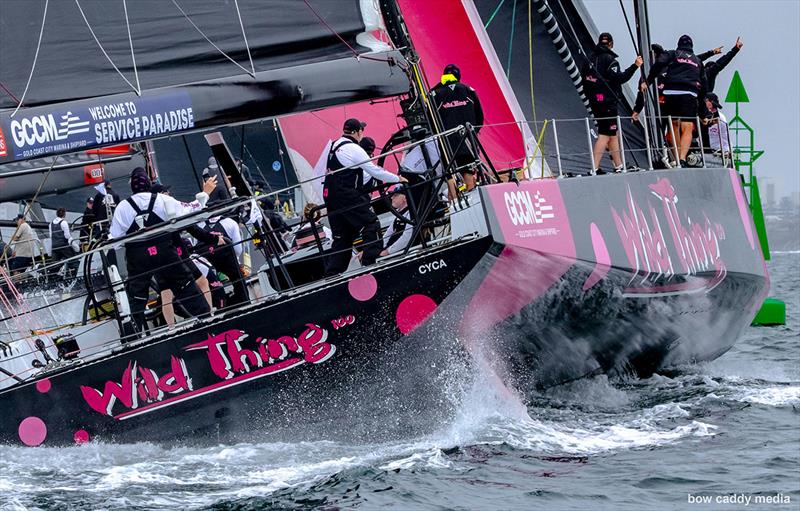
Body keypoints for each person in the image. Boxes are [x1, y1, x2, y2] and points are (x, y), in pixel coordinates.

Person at [109, 167, 215, 331]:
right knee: (184, 284)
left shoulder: (122, 207)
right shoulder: (162, 200)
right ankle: (207, 320)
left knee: (136, 297)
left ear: (132, 186)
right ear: (148, 183)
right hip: (165, 253)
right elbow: (190, 209)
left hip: (138, 259)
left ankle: (132, 336)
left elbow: (115, 241)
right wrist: (205, 194)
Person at [323, 118, 403, 275]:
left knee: (343, 238)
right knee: (371, 223)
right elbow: (375, 172)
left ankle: (331, 276)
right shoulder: (354, 149)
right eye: (362, 130)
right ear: (358, 132)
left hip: (330, 197)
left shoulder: (335, 146)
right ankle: (371, 265)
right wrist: (398, 178)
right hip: (345, 196)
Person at [582, 32, 643, 174]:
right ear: (611, 44)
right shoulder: (610, 60)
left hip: (595, 102)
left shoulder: (588, 59)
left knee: (613, 133)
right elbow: (620, 78)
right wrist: (635, 66)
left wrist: (591, 97)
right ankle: (594, 168)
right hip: (608, 103)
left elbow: (583, 80)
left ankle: (619, 166)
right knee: (604, 134)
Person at [648, 35, 707, 168]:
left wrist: (649, 79)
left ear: (679, 45)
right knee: (687, 127)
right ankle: (682, 159)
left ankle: (676, 159)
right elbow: (704, 88)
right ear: (691, 47)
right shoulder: (697, 61)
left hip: (671, 92)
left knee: (674, 124)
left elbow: (659, 63)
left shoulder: (673, 54)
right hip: (689, 93)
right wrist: (703, 114)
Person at [429, 64, 484, 190]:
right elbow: (480, 117)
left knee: (450, 178)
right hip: (468, 141)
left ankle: (454, 204)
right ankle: (474, 202)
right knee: (468, 173)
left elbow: (430, 120)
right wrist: (473, 132)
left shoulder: (434, 94)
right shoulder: (469, 90)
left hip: (447, 144)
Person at [380, 186, 413, 257]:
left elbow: (407, 237)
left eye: (395, 195)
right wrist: (372, 250)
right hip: (394, 254)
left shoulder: (410, 213)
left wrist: (387, 252)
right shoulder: (398, 215)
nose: (392, 198)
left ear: (405, 198)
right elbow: (387, 235)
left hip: (403, 255)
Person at [49, 208, 79, 277]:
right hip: (63, 246)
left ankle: (52, 277)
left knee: (54, 265)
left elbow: (51, 235)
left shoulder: (51, 224)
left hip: (54, 247)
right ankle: (76, 274)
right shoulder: (63, 222)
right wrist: (74, 245)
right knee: (73, 260)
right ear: (64, 214)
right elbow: (67, 236)